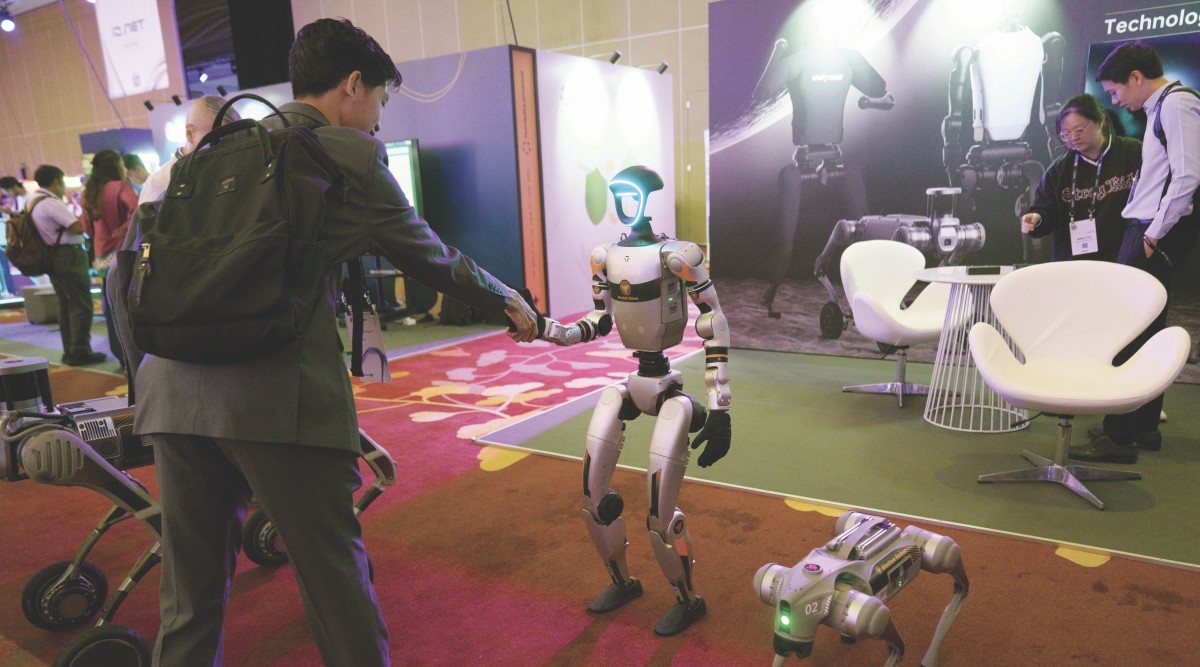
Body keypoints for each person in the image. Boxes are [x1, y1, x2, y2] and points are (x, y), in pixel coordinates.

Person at [119, 18, 539, 666]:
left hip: (171, 395)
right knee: (335, 584)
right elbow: (432, 258)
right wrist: (508, 299)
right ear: (351, 86)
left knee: (190, 599)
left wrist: (139, 378)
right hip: (277, 403)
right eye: (377, 102)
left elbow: (129, 274)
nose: (376, 122)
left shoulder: (204, 155)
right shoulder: (346, 157)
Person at [1070, 40, 1200, 464]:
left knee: (1126, 334)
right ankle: (1142, 428)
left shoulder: (1176, 105)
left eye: (1114, 91)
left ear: (1136, 78)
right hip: (1146, 228)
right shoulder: (1163, 107)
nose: (1114, 99)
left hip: (1150, 231)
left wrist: (1153, 235)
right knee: (1146, 331)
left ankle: (1119, 437)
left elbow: (1187, 178)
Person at [1020, 93, 1140, 262]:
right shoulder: (1059, 170)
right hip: (1074, 263)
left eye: (1079, 130)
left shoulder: (1132, 152)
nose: (1073, 138)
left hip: (1124, 258)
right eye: (1065, 134)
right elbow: (1045, 212)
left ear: (1100, 121)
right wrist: (1037, 219)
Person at [28, 165, 106, 366]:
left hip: (52, 257)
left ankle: (70, 350)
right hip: (67, 256)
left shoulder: (32, 200)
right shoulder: (52, 204)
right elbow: (77, 227)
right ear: (56, 182)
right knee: (81, 305)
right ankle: (80, 351)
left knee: (65, 305)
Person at [80, 150, 135, 368]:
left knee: (110, 304)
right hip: (122, 252)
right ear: (116, 165)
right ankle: (132, 353)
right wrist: (123, 228)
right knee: (128, 302)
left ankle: (119, 352)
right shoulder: (119, 187)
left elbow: (86, 227)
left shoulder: (88, 193)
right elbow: (138, 209)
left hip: (101, 255)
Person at [139, 95, 241, 204]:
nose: (226, 148)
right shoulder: (158, 182)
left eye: (232, 139)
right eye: (216, 139)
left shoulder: (231, 168)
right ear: (190, 134)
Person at [0, 175, 27, 296]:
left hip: (30, 240)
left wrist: (10, 213)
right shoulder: (22, 199)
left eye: (6, 191)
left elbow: (26, 219)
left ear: (13, 187)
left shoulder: (28, 198)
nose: (7, 194)